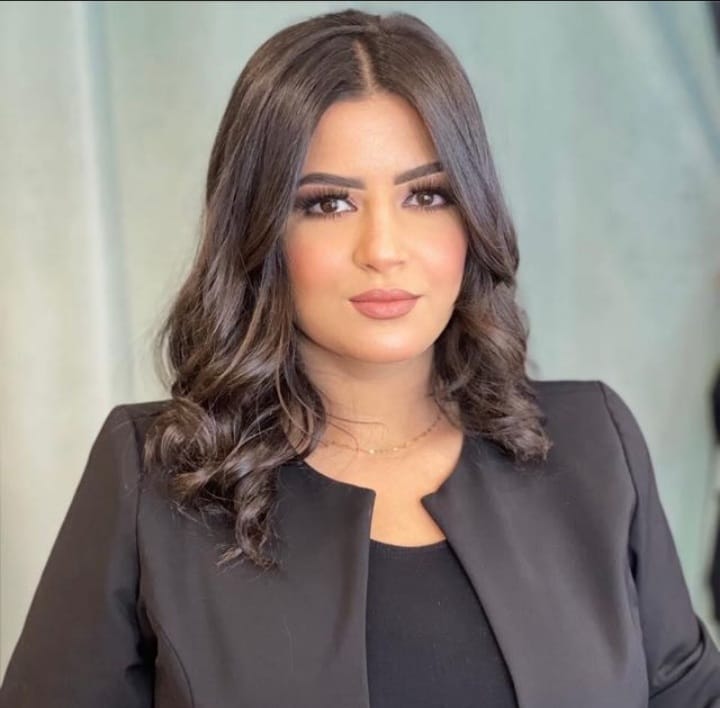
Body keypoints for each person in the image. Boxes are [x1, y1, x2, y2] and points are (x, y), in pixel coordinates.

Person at [2, 8, 719, 708]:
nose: (383, 249)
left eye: (426, 196)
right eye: (328, 204)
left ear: (473, 215)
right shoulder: (153, 477)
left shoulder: (596, 446)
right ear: (260, 231)